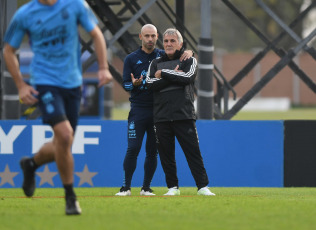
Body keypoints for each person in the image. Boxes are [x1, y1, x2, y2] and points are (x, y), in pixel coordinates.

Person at [3, 0, 113, 214]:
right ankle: (70, 198)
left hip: (73, 84)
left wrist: (103, 67)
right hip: (44, 83)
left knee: (63, 143)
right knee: (64, 135)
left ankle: (31, 164)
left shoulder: (76, 5)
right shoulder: (25, 14)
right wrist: (20, 85)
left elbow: (97, 35)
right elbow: (8, 51)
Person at [116, 24, 192, 196]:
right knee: (133, 149)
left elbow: (182, 55)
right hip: (138, 110)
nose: (150, 39)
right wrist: (134, 84)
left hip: (159, 111)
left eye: (153, 36)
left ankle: (145, 188)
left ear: (157, 37)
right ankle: (126, 187)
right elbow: (126, 84)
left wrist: (190, 52)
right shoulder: (131, 58)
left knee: (153, 151)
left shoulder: (162, 55)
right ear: (140, 37)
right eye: (147, 36)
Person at [146, 28, 215, 196]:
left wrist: (163, 74)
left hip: (184, 114)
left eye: (172, 41)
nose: (169, 44)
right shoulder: (154, 63)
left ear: (180, 43)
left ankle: (202, 187)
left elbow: (187, 78)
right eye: (166, 41)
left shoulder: (189, 60)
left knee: (193, 152)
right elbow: (149, 83)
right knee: (166, 155)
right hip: (161, 116)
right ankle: (173, 188)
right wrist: (172, 75)